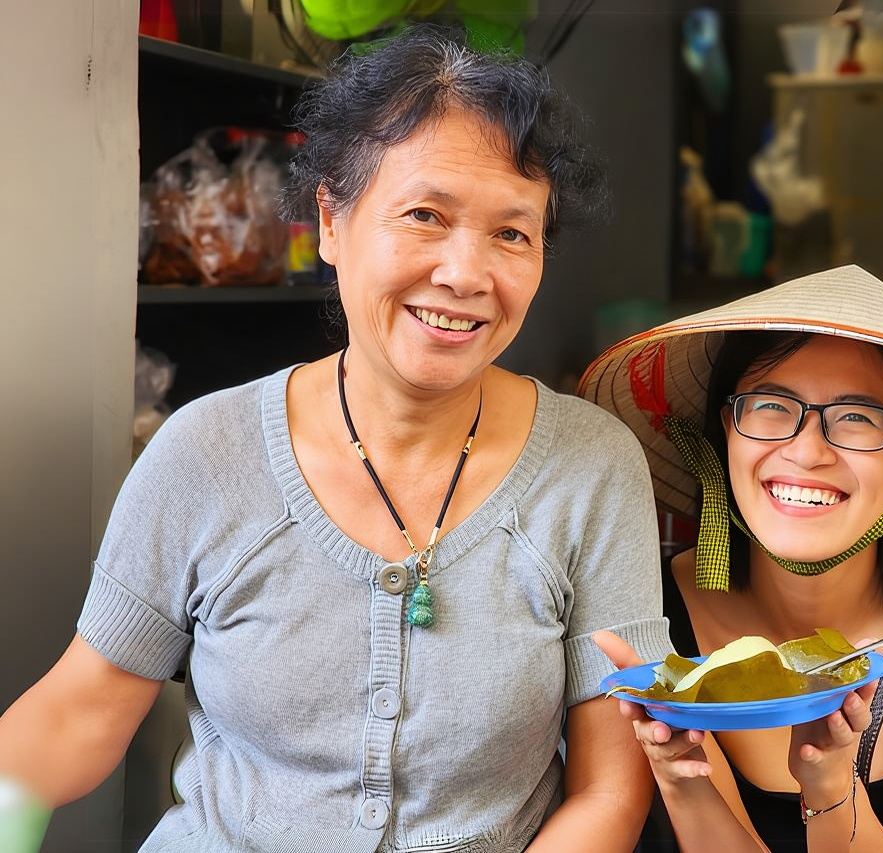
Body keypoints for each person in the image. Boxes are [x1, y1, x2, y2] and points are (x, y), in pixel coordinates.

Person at [0, 25, 671, 853]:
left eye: (512, 232)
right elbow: (77, 712)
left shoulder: (591, 468)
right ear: (331, 221)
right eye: (425, 214)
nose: (467, 274)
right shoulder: (206, 450)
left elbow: (610, 790)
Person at [582, 265, 883, 852]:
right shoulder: (645, 614)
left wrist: (831, 786)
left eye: (858, 418)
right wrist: (682, 779)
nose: (806, 451)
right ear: (726, 432)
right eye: (770, 406)